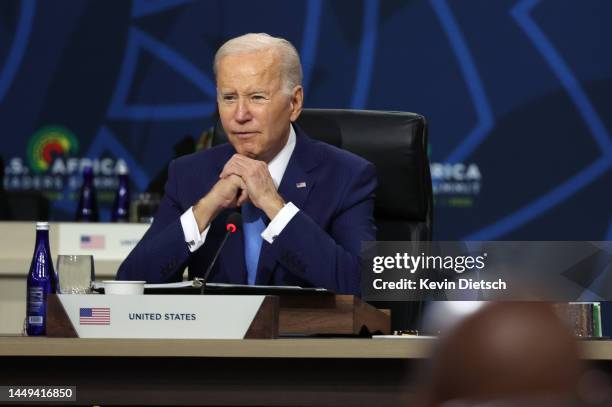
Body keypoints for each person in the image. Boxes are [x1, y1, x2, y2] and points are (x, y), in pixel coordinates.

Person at [117, 33, 376, 295]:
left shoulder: (347, 176)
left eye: (257, 97)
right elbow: (130, 283)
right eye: (229, 98)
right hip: (213, 335)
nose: (240, 115)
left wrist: (274, 205)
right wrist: (205, 208)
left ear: (294, 103)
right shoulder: (189, 174)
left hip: (301, 335)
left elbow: (368, 286)